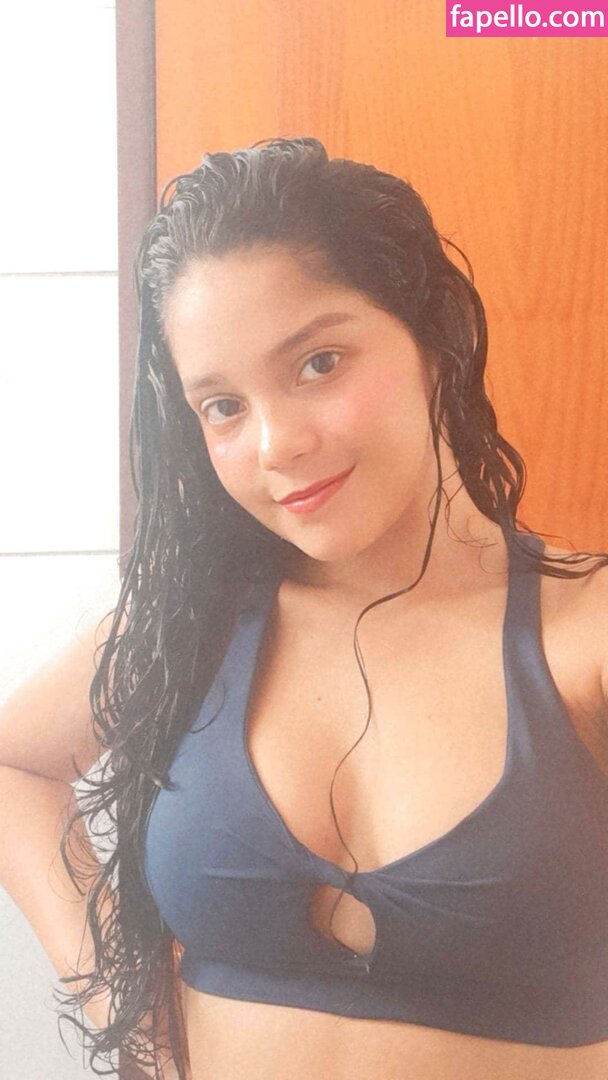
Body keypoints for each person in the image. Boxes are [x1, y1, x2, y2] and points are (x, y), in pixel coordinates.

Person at [1, 136, 608, 1080]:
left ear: (435, 337)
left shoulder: (586, 633)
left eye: (319, 362)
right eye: (222, 406)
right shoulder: (195, 626)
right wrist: (131, 1016)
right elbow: (14, 766)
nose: (275, 443)